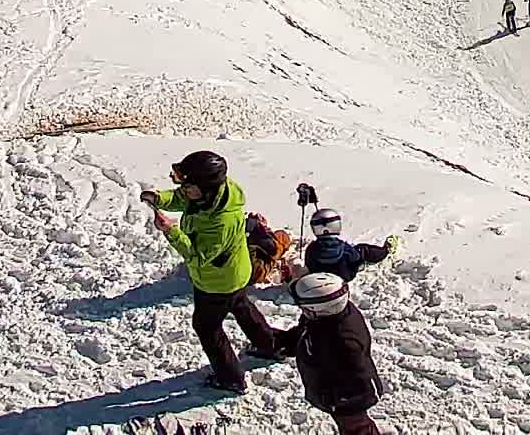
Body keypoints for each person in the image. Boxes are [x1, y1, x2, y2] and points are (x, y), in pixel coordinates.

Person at [143, 150, 287, 392]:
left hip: (217, 280)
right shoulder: (215, 191)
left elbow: (198, 256)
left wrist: (171, 231)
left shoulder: (221, 222)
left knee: (206, 326)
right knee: (240, 305)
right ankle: (269, 345)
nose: (185, 189)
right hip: (235, 271)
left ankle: (231, 378)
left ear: (204, 187)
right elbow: (182, 197)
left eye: (190, 185)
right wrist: (159, 198)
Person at [278, 271, 387, 435]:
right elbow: (307, 329)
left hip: (348, 404)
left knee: (357, 429)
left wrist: (338, 402)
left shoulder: (344, 343)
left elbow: (363, 381)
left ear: (315, 310)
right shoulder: (332, 314)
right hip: (335, 395)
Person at [300, 208, 394, 282]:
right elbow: (356, 258)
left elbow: (309, 264)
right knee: (362, 250)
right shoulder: (343, 248)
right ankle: (385, 251)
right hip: (345, 276)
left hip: (318, 277)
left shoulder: (311, 248)